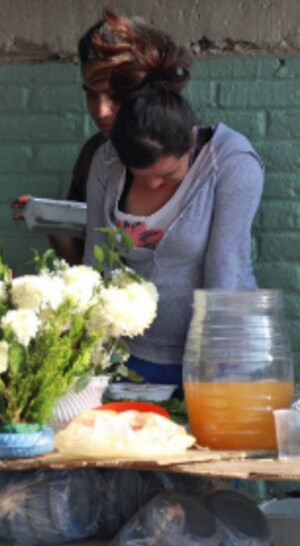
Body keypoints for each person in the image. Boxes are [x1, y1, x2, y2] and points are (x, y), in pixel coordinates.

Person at [82, 32, 264, 386]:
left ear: (189, 141)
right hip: (133, 356)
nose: (153, 185)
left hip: (223, 355)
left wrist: (211, 364)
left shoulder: (230, 162)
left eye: (166, 174)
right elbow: (96, 258)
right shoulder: (107, 161)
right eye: (142, 175)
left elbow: (226, 265)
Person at [12, 10, 173, 265]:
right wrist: (50, 219)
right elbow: (82, 269)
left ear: (148, 86)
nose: (101, 112)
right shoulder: (96, 153)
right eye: (91, 95)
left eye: (115, 96)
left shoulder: (198, 156)